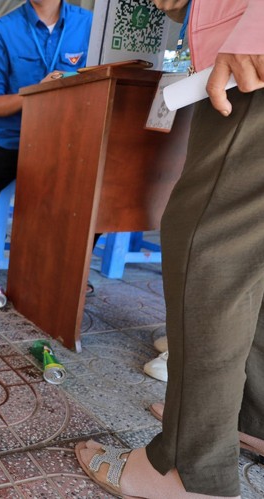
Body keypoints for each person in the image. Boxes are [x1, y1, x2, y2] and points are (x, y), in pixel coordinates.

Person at [75, 0, 264, 497]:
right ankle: (251, 416)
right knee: (250, 252)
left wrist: (257, 28)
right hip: (242, 49)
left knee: (209, 244)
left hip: (251, 61)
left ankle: (188, 468)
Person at [0, 0, 92, 251]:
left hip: (71, 140)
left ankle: (71, 263)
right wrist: (38, 92)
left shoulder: (89, 25)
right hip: (13, 140)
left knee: (103, 196)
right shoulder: (2, 30)